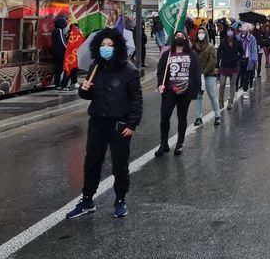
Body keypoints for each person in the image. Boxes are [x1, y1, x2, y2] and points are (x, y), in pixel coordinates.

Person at [66, 28, 143, 220]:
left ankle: (120, 200)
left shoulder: (129, 70)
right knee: (92, 162)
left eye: (110, 45)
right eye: (102, 45)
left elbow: (136, 99)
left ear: (117, 48)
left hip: (120, 124)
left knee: (119, 165)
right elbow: (89, 95)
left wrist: (132, 124)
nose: (106, 49)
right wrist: (84, 90)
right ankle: (87, 200)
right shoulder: (95, 67)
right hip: (97, 122)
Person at [155, 31, 201, 157]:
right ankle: (163, 143)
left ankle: (180, 143)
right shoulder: (167, 54)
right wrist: (160, 84)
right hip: (169, 90)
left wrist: (197, 89)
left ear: (186, 39)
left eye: (182, 36)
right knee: (165, 116)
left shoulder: (192, 54)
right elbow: (161, 71)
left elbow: (197, 72)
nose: (179, 38)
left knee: (182, 117)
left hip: (185, 91)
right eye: (177, 36)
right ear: (173, 39)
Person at [192, 27, 221, 127]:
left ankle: (217, 116)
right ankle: (198, 118)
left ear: (206, 34)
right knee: (198, 96)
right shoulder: (193, 47)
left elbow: (213, 61)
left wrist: (204, 72)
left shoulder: (210, 47)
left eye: (202, 33)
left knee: (212, 95)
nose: (201, 34)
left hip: (209, 74)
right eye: (199, 33)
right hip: (197, 74)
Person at [217, 27, 243, 110]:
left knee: (233, 84)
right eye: (228, 31)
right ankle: (220, 100)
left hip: (234, 66)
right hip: (224, 66)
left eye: (231, 31)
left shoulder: (238, 42)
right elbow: (218, 52)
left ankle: (230, 102)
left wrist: (236, 57)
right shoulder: (223, 42)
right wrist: (222, 58)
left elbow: (241, 52)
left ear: (233, 33)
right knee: (222, 84)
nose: (230, 33)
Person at [238, 26, 258, 96]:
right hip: (239, 59)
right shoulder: (238, 37)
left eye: (245, 28)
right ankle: (238, 88)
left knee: (246, 75)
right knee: (238, 75)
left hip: (248, 59)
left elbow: (254, 49)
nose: (244, 30)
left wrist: (254, 60)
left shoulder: (251, 38)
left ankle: (245, 90)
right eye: (242, 28)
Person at [51, 15, 69, 91]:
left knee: (58, 70)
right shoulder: (59, 31)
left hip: (56, 53)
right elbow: (62, 42)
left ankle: (57, 84)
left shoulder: (55, 31)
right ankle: (63, 85)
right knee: (64, 69)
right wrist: (68, 49)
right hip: (61, 54)